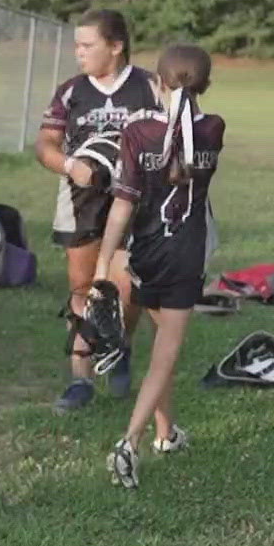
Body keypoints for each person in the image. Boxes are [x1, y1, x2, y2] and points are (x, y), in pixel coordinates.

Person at [92, 44, 225, 489]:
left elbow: (122, 205)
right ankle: (128, 442)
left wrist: (103, 262)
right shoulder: (214, 129)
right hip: (185, 255)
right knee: (164, 358)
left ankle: (165, 435)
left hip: (145, 252)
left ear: (156, 84)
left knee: (161, 354)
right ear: (205, 86)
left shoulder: (138, 132)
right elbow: (192, 133)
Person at [35, 9, 156, 413]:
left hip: (134, 201)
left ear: (116, 46)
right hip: (80, 199)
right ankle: (81, 378)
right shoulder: (71, 91)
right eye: (77, 45)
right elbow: (46, 145)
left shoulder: (150, 88)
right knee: (82, 285)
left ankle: (120, 347)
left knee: (126, 285)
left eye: (88, 45)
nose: (79, 53)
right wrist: (72, 166)